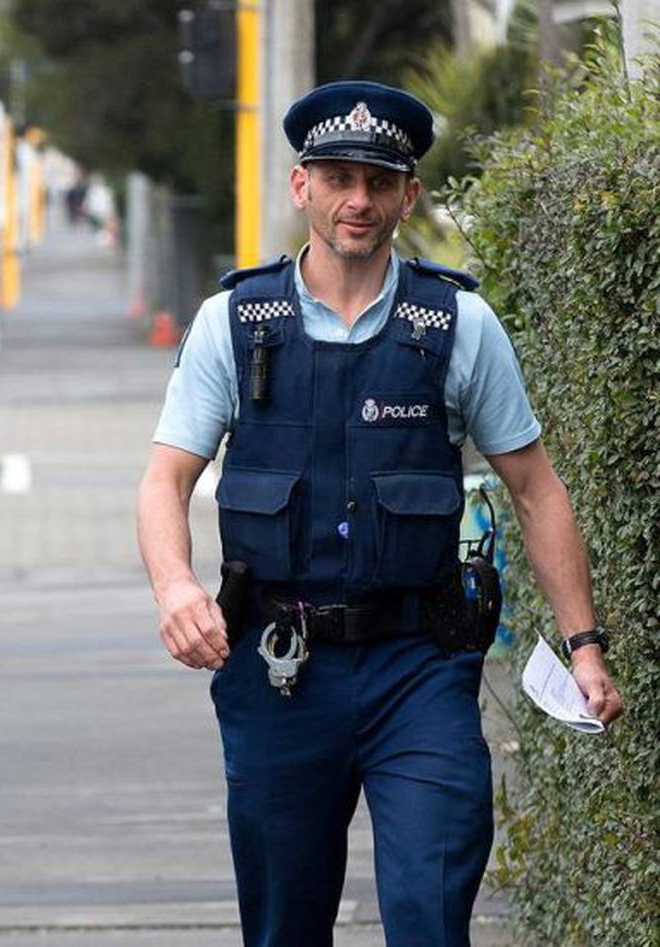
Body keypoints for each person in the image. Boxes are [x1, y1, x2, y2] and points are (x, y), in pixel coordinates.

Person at [136, 80, 623, 947]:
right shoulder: (233, 324)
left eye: (379, 181)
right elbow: (165, 478)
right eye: (337, 177)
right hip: (278, 670)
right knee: (284, 926)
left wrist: (585, 646)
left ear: (409, 194)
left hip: (417, 670)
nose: (357, 200)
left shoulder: (459, 325)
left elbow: (536, 487)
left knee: (432, 911)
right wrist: (176, 587)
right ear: (303, 186)